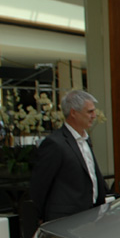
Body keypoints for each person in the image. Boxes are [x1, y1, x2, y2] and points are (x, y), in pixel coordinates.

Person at [30, 89, 109, 222]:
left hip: (91, 215)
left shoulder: (85, 140)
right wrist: (39, 218)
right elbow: (40, 185)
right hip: (66, 219)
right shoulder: (55, 143)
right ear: (73, 113)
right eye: (89, 112)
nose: (94, 116)